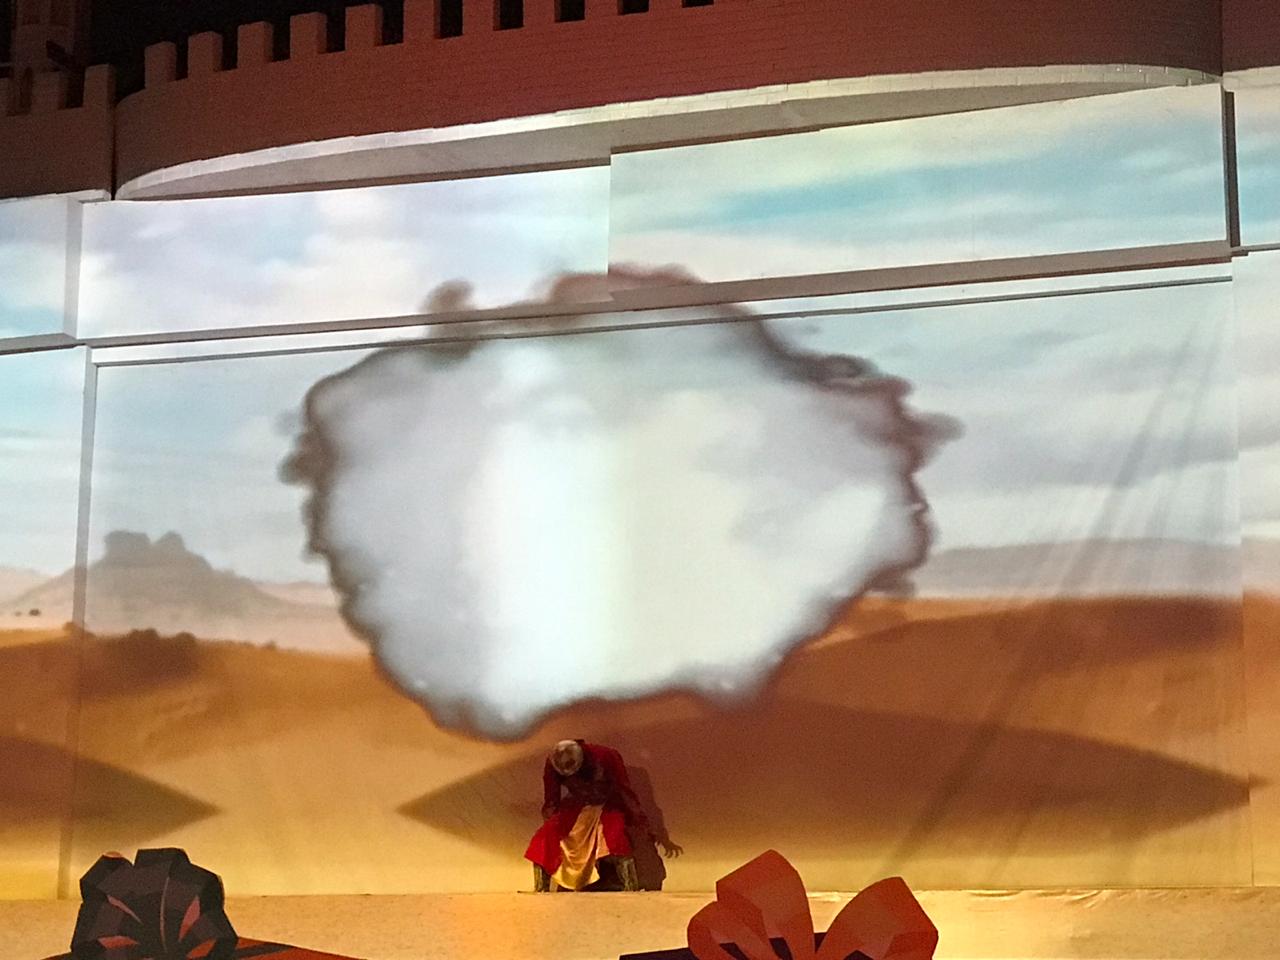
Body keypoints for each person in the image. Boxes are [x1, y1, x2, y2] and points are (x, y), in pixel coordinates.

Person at [524, 739, 679, 892]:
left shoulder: (606, 756)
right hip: (576, 806)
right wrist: (553, 824)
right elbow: (551, 800)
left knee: (615, 838)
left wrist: (640, 821)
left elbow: (624, 790)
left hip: (607, 804)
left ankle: (630, 887)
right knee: (545, 837)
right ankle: (541, 889)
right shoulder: (554, 763)